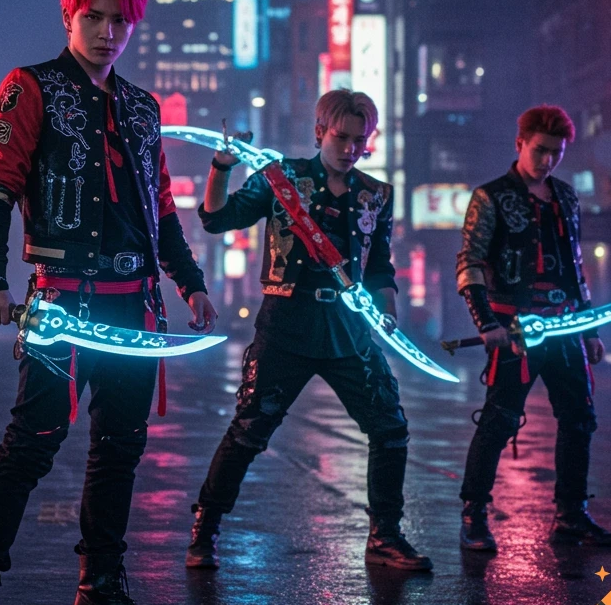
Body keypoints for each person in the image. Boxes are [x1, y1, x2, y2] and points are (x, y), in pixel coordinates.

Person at [0, 0, 217, 605]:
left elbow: (158, 202)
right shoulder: (29, 87)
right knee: (32, 444)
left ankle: (100, 591)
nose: (107, 32)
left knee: (119, 450)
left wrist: (189, 280)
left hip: (135, 306)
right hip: (61, 301)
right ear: (69, 17)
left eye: (119, 20)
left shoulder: (141, 106)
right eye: (93, 17)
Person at [184, 90, 432, 574]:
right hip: (286, 322)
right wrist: (220, 165)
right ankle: (205, 529)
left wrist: (388, 308)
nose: (350, 148)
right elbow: (216, 220)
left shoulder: (376, 193)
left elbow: (380, 265)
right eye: (341, 137)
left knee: (390, 427)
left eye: (360, 140)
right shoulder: (281, 179)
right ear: (320, 131)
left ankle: (385, 535)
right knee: (250, 429)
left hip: (347, 327)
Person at [456, 105, 611, 551]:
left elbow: (575, 266)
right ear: (520, 144)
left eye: (557, 152)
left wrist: (589, 328)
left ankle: (571, 514)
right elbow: (470, 262)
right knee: (499, 419)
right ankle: (474, 514)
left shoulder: (566, 197)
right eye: (540, 149)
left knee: (579, 418)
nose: (548, 159)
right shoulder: (490, 196)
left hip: (568, 322)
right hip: (515, 327)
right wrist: (486, 322)